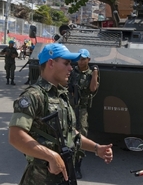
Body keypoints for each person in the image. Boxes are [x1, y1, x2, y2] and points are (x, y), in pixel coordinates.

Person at [9, 43, 112, 185]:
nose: (71, 68)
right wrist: (51, 156)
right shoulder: (34, 96)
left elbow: (70, 134)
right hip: (40, 179)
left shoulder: (61, 95)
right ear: (51, 63)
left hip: (63, 177)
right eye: (66, 63)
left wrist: (96, 148)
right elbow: (15, 136)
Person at [68, 48, 99, 179]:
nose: (80, 61)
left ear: (88, 60)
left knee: (81, 135)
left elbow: (92, 89)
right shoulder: (72, 71)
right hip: (69, 106)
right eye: (79, 59)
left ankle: (77, 166)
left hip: (82, 108)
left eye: (83, 59)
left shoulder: (92, 73)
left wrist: (95, 73)